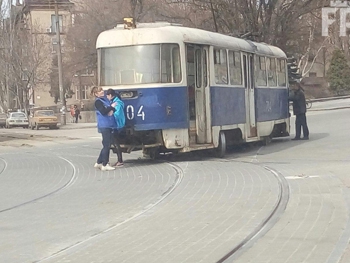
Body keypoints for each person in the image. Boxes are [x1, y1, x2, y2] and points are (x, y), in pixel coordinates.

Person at [91, 86, 116, 171]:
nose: (102, 91)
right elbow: (103, 111)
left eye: (101, 90)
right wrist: (111, 107)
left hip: (109, 124)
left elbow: (110, 110)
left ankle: (98, 162)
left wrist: (112, 109)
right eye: (100, 91)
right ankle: (105, 164)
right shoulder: (98, 102)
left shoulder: (105, 100)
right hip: (104, 125)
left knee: (106, 144)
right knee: (107, 145)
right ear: (96, 94)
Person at [106, 88, 125, 167]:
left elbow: (116, 114)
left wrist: (109, 115)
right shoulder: (115, 102)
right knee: (113, 143)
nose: (107, 97)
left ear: (110, 95)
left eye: (107, 95)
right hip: (115, 125)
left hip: (116, 125)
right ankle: (116, 160)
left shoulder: (116, 103)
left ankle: (119, 160)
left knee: (115, 143)